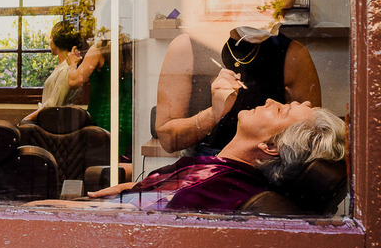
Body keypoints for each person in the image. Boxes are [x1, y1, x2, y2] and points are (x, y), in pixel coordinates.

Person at [33, 71, 345, 213]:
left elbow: (119, 218)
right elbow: (147, 201)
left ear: (270, 147)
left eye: (279, 110)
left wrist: (40, 208)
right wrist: (138, 186)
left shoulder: (214, 189)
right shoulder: (220, 174)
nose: (268, 100)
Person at [155, 27, 321, 155]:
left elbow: (311, 138)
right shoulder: (187, 46)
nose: (270, 103)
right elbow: (168, 140)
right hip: (201, 167)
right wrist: (213, 114)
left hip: (259, 171)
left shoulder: (293, 54)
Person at [67, 30, 133, 158]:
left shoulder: (99, 49)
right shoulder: (129, 47)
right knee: (123, 163)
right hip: (127, 119)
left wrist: (72, 64)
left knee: (103, 164)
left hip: (103, 119)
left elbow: (75, 81)